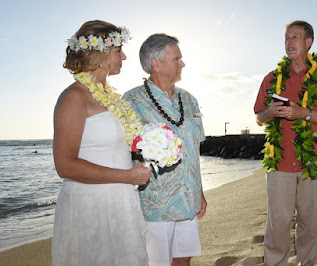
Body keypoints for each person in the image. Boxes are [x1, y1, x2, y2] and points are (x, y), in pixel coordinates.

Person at [52, 20, 151, 265]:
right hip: (92, 209)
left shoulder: (110, 97)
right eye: (118, 51)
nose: (124, 56)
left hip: (120, 202)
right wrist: (127, 176)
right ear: (101, 54)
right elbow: (65, 166)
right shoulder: (73, 98)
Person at [254, 21, 317, 266]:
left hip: (312, 164)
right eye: (286, 38)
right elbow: (258, 118)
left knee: (308, 222)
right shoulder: (271, 78)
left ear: (308, 42)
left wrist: (304, 113)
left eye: (295, 37)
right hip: (280, 163)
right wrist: (270, 113)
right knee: (278, 223)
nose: (289, 42)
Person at [123, 33, 207, 266]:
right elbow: (121, 154)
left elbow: (194, 152)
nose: (183, 64)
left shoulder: (189, 100)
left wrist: (199, 192)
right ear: (156, 64)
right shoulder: (131, 101)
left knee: (183, 261)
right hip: (154, 207)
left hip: (188, 201)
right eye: (176, 59)